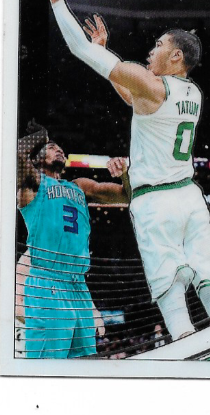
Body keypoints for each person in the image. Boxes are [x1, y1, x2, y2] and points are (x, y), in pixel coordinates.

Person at [44, 0, 210, 341]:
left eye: (159, 45)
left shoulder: (152, 84)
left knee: (175, 312)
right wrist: (106, 51)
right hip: (190, 198)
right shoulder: (192, 92)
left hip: (156, 205)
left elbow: (79, 48)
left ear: (176, 56)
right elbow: (135, 98)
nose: (151, 50)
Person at [17, 120, 130, 358]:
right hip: (48, 282)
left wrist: (126, 174)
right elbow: (17, 154)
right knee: (47, 369)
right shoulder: (33, 186)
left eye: (60, 148)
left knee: (85, 364)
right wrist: (40, 137)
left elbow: (126, 195)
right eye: (51, 148)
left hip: (79, 286)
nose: (58, 149)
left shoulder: (80, 186)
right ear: (37, 159)